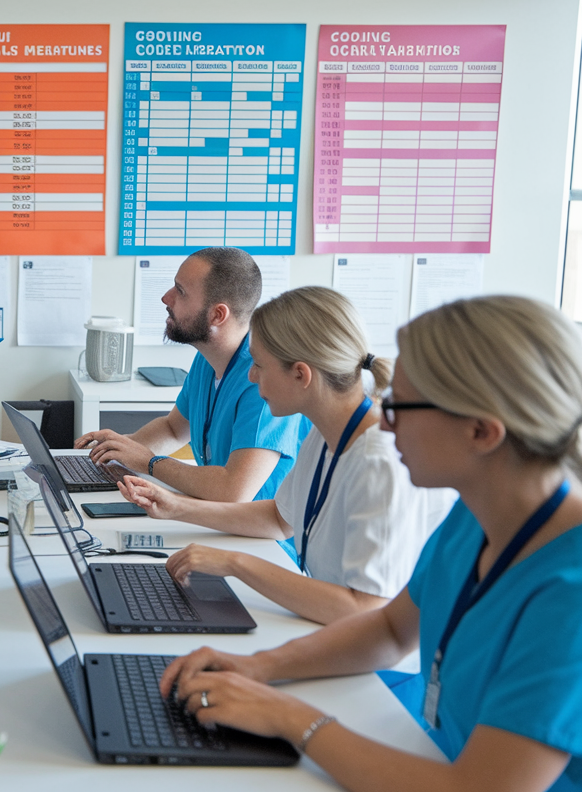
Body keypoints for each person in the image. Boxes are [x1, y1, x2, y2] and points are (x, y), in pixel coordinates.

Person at [158, 296, 582, 792]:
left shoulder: (568, 588)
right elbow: (389, 629)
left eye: (401, 405)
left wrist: (292, 718)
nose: (387, 418)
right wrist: (259, 667)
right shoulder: (479, 515)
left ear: (482, 431)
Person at [119, 287, 455, 624]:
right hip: (329, 629)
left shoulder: (378, 463)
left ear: (300, 374)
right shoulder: (325, 431)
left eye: (260, 366)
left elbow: (363, 608)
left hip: (378, 669)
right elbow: (280, 520)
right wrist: (175, 507)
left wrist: (235, 563)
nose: (251, 376)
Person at [75, 247, 305, 503]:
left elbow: (234, 491)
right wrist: (119, 450)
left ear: (218, 315)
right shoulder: (208, 360)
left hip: (262, 539)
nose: (166, 298)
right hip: (220, 521)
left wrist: (149, 462)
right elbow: (174, 429)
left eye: (180, 291)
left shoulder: (263, 378)